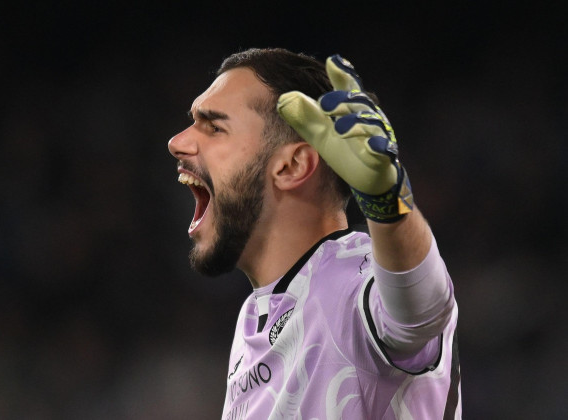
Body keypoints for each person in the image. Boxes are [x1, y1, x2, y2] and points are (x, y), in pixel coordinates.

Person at [168, 48, 460, 419]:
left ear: (292, 166)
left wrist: (386, 203)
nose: (177, 141)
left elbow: (423, 311)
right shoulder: (255, 316)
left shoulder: (352, 277)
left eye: (214, 128)